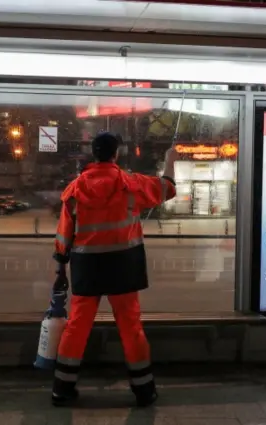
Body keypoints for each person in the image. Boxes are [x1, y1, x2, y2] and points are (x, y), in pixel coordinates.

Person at [51, 132, 178, 407]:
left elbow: (64, 236)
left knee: (76, 327)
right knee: (131, 327)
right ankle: (144, 390)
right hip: (124, 265)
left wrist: (61, 270)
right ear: (116, 154)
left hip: (87, 268)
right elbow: (167, 188)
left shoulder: (74, 190)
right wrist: (169, 161)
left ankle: (62, 388)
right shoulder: (131, 184)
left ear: (93, 155)